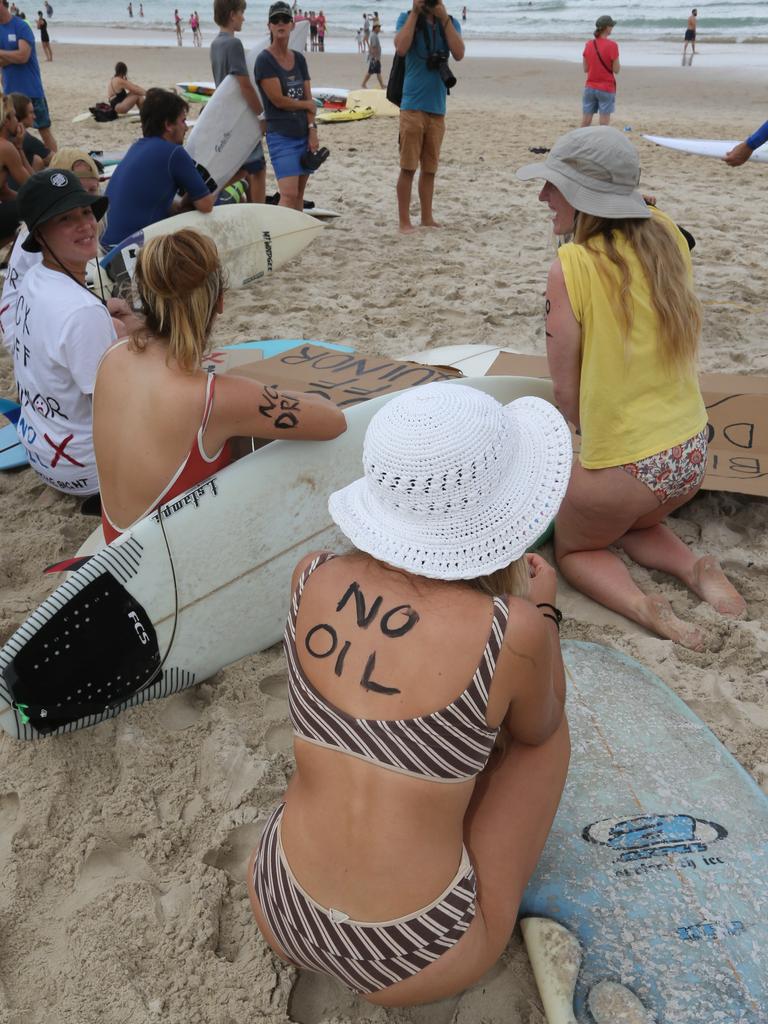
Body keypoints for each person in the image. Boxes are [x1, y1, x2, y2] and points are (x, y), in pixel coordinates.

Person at [247, 382, 572, 1005]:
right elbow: (537, 727)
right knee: (545, 740)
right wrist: (547, 618)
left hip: (278, 901)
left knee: (365, 749)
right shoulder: (512, 630)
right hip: (416, 953)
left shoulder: (311, 575)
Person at [516, 127, 746, 649]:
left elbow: (566, 393)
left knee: (577, 550)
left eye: (554, 186)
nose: (542, 197)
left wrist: (575, 450)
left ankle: (646, 607)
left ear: (582, 195)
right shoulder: (666, 236)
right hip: (689, 454)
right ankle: (696, 567)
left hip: (626, 469)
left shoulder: (570, 266)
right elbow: (646, 210)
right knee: (635, 523)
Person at [93, 229, 346, 541]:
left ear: (145, 296)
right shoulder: (214, 397)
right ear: (220, 301)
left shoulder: (112, 356)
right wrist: (262, 394)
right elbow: (334, 420)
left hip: (115, 547)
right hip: (168, 572)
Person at [9, 169, 133, 497]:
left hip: (42, 453)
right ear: (41, 234)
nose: (85, 225)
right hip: (91, 470)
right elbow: (115, 407)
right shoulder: (82, 313)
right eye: (66, 218)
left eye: (86, 212)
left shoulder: (33, 280)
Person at [101, 88, 214, 249]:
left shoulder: (136, 147)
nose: (186, 128)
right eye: (183, 121)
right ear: (168, 125)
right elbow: (206, 205)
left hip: (105, 243)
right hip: (126, 254)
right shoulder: (174, 153)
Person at [394, 0, 464, 233]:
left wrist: (443, 18)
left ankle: (426, 217)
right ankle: (405, 221)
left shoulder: (449, 22)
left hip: (437, 108)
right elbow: (401, 48)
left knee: (430, 168)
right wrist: (415, 12)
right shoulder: (407, 18)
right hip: (412, 105)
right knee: (408, 167)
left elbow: (459, 53)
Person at [256, 1, 322, 212]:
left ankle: (296, 241)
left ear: (293, 25)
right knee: (289, 195)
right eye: (275, 20)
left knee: (299, 196)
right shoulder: (264, 60)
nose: (280, 23)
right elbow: (278, 100)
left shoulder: (299, 59)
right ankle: (278, 240)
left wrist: (312, 131)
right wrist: (307, 105)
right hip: (281, 136)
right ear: (269, 26)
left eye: (285, 19)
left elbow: (308, 96)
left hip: (302, 133)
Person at [211, 0, 266, 204]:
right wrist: (261, 114)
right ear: (232, 14)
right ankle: (258, 214)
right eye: (242, 13)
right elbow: (244, 85)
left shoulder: (215, 44)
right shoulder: (233, 44)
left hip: (225, 117)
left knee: (246, 167)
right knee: (258, 168)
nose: (244, 17)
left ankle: (248, 206)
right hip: (240, 117)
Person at [0, 0, 56, 152]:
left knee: (44, 131)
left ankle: (58, 166)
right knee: (12, 133)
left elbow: (23, 56)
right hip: (10, 94)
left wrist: (4, 54)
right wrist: (12, 55)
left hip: (32, 91)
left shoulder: (20, 26)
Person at [0, 94, 29, 245]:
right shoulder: (5, 147)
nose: (18, 121)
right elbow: (32, 186)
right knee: (35, 208)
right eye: (15, 116)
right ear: (6, 120)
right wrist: (19, 147)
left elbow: (4, 193)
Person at [581, 15, 619, 127]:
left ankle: (580, 141)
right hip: (606, 88)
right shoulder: (612, 45)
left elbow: (585, 69)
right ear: (607, 28)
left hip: (590, 87)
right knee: (603, 124)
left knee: (585, 121)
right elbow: (616, 70)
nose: (612, 28)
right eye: (611, 25)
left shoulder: (589, 44)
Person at [361, 20, 384, 88]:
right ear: (375, 28)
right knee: (370, 71)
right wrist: (375, 57)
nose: (380, 28)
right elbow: (373, 47)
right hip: (374, 58)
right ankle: (363, 84)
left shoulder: (374, 35)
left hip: (375, 57)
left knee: (378, 71)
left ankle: (382, 85)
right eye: (378, 27)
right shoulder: (374, 36)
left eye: (380, 27)